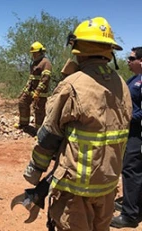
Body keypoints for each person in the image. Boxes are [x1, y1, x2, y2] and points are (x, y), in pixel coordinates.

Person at [22, 17, 132, 231]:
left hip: (76, 189)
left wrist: (35, 170)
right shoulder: (122, 84)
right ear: (109, 50)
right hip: (108, 185)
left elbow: (49, 135)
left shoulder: (72, 85)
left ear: (78, 47)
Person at [110, 47, 142, 228]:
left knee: (131, 171)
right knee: (135, 170)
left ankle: (129, 216)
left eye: (131, 58)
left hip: (138, 134)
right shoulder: (135, 79)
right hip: (132, 133)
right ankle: (134, 205)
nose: (128, 61)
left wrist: (129, 117)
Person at [15, 41, 52, 133]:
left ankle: (39, 131)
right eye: (32, 53)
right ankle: (23, 124)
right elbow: (31, 78)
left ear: (40, 52)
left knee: (39, 110)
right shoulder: (34, 63)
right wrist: (25, 89)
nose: (33, 55)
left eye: (35, 53)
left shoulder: (45, 63)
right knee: (22, 102)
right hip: (30, 90)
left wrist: (38, 91)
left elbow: (45, 79)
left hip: (40, 92)